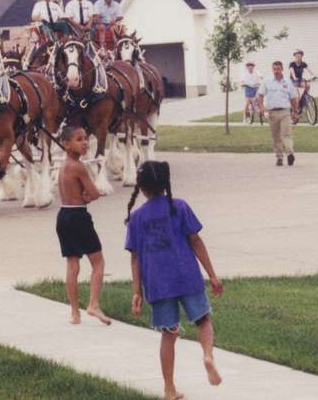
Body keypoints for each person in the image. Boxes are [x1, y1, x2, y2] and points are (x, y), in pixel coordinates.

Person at [125, 161, 223, 399]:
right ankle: (208, 356)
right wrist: (212, 274)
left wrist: (136, 291)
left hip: (158, 284)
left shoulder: (136, 218)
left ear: (142, 187)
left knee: (169, 334)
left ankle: (169, 389)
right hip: (186, 276)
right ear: (165, 183)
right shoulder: (179, 207)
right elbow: (196, 242)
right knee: (203, 320)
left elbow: (135, 259)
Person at [55, 124, 111, 326]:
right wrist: (87, 197)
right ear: (66, 144)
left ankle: (74, 313)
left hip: (63, 215)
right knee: (98, 262)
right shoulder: (78, 166)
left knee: (72, 266)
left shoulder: (63, 165)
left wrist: (82, 197)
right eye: (79, 139)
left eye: (86, 138)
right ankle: (93, 304)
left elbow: (72, 193)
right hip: (78, 216)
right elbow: (95, 193)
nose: (85, 142)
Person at [257, 61, 299, 166]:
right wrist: (261, 108)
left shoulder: (288, 82)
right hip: (272, 113)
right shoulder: (267, 81)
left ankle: (290, 154)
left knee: (286, 134)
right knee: (276, 137)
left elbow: (293, 98)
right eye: (274, 69)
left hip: (285, 112)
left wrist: (295, 111)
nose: (276, 71)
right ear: (272, 69)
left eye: (278, 69)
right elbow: (260, 95)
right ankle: (279, 157)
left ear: (282, 69)